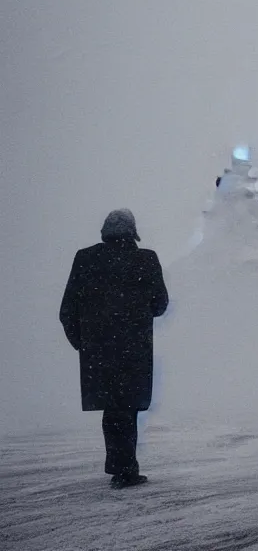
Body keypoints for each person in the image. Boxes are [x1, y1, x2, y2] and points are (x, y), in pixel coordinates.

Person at [59, 209, 169, 488]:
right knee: (126, 408)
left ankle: (121, 467)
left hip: (99, 352)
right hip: (134, 348)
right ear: (133, 232)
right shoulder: (146, 259)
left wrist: (82, 344)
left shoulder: (85, 259)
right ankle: (125, 470)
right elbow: (160, 304)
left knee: (113, 408)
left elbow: (67, 309)